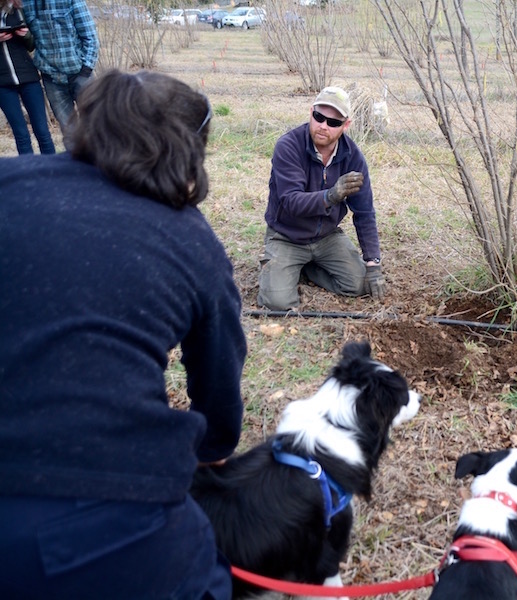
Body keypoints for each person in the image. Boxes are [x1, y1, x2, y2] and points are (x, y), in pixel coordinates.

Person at [0, 70, 246, 599]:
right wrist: (216, 447)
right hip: (95, 510)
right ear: (187, 154)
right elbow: (218, 386)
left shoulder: (11, 180)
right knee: (205, 579)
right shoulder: (193, 242)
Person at [258, 85, 386, 310]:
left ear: (346, 125)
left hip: (326, 236)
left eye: (334, 122)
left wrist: (373, 263)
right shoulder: (288, 146)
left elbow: (364, 211)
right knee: (277, 302)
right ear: (311, 112)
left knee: (358, 285)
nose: (323, 126)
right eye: (319, 117)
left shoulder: (353, 156)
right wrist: (331, 195)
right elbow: (290, 202)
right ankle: (285, 267)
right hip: (286, 236)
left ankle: (307, 269)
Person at [21, 0, 98, 129]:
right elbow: (32, 43)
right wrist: (24, 35)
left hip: (80, 74)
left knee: (96, 124)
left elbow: (90, 37)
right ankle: (75, 151)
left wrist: (86, 69)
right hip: (51, 79)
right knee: (69, 131)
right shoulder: (26, 4)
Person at [0, 0, 54, 155]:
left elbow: (32, 44)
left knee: (42, 131)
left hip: (29, 78)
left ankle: (52, 172)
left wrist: (25, 35)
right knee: (21, 135)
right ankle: (29, 173)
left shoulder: (20, 10)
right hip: (3, 84)